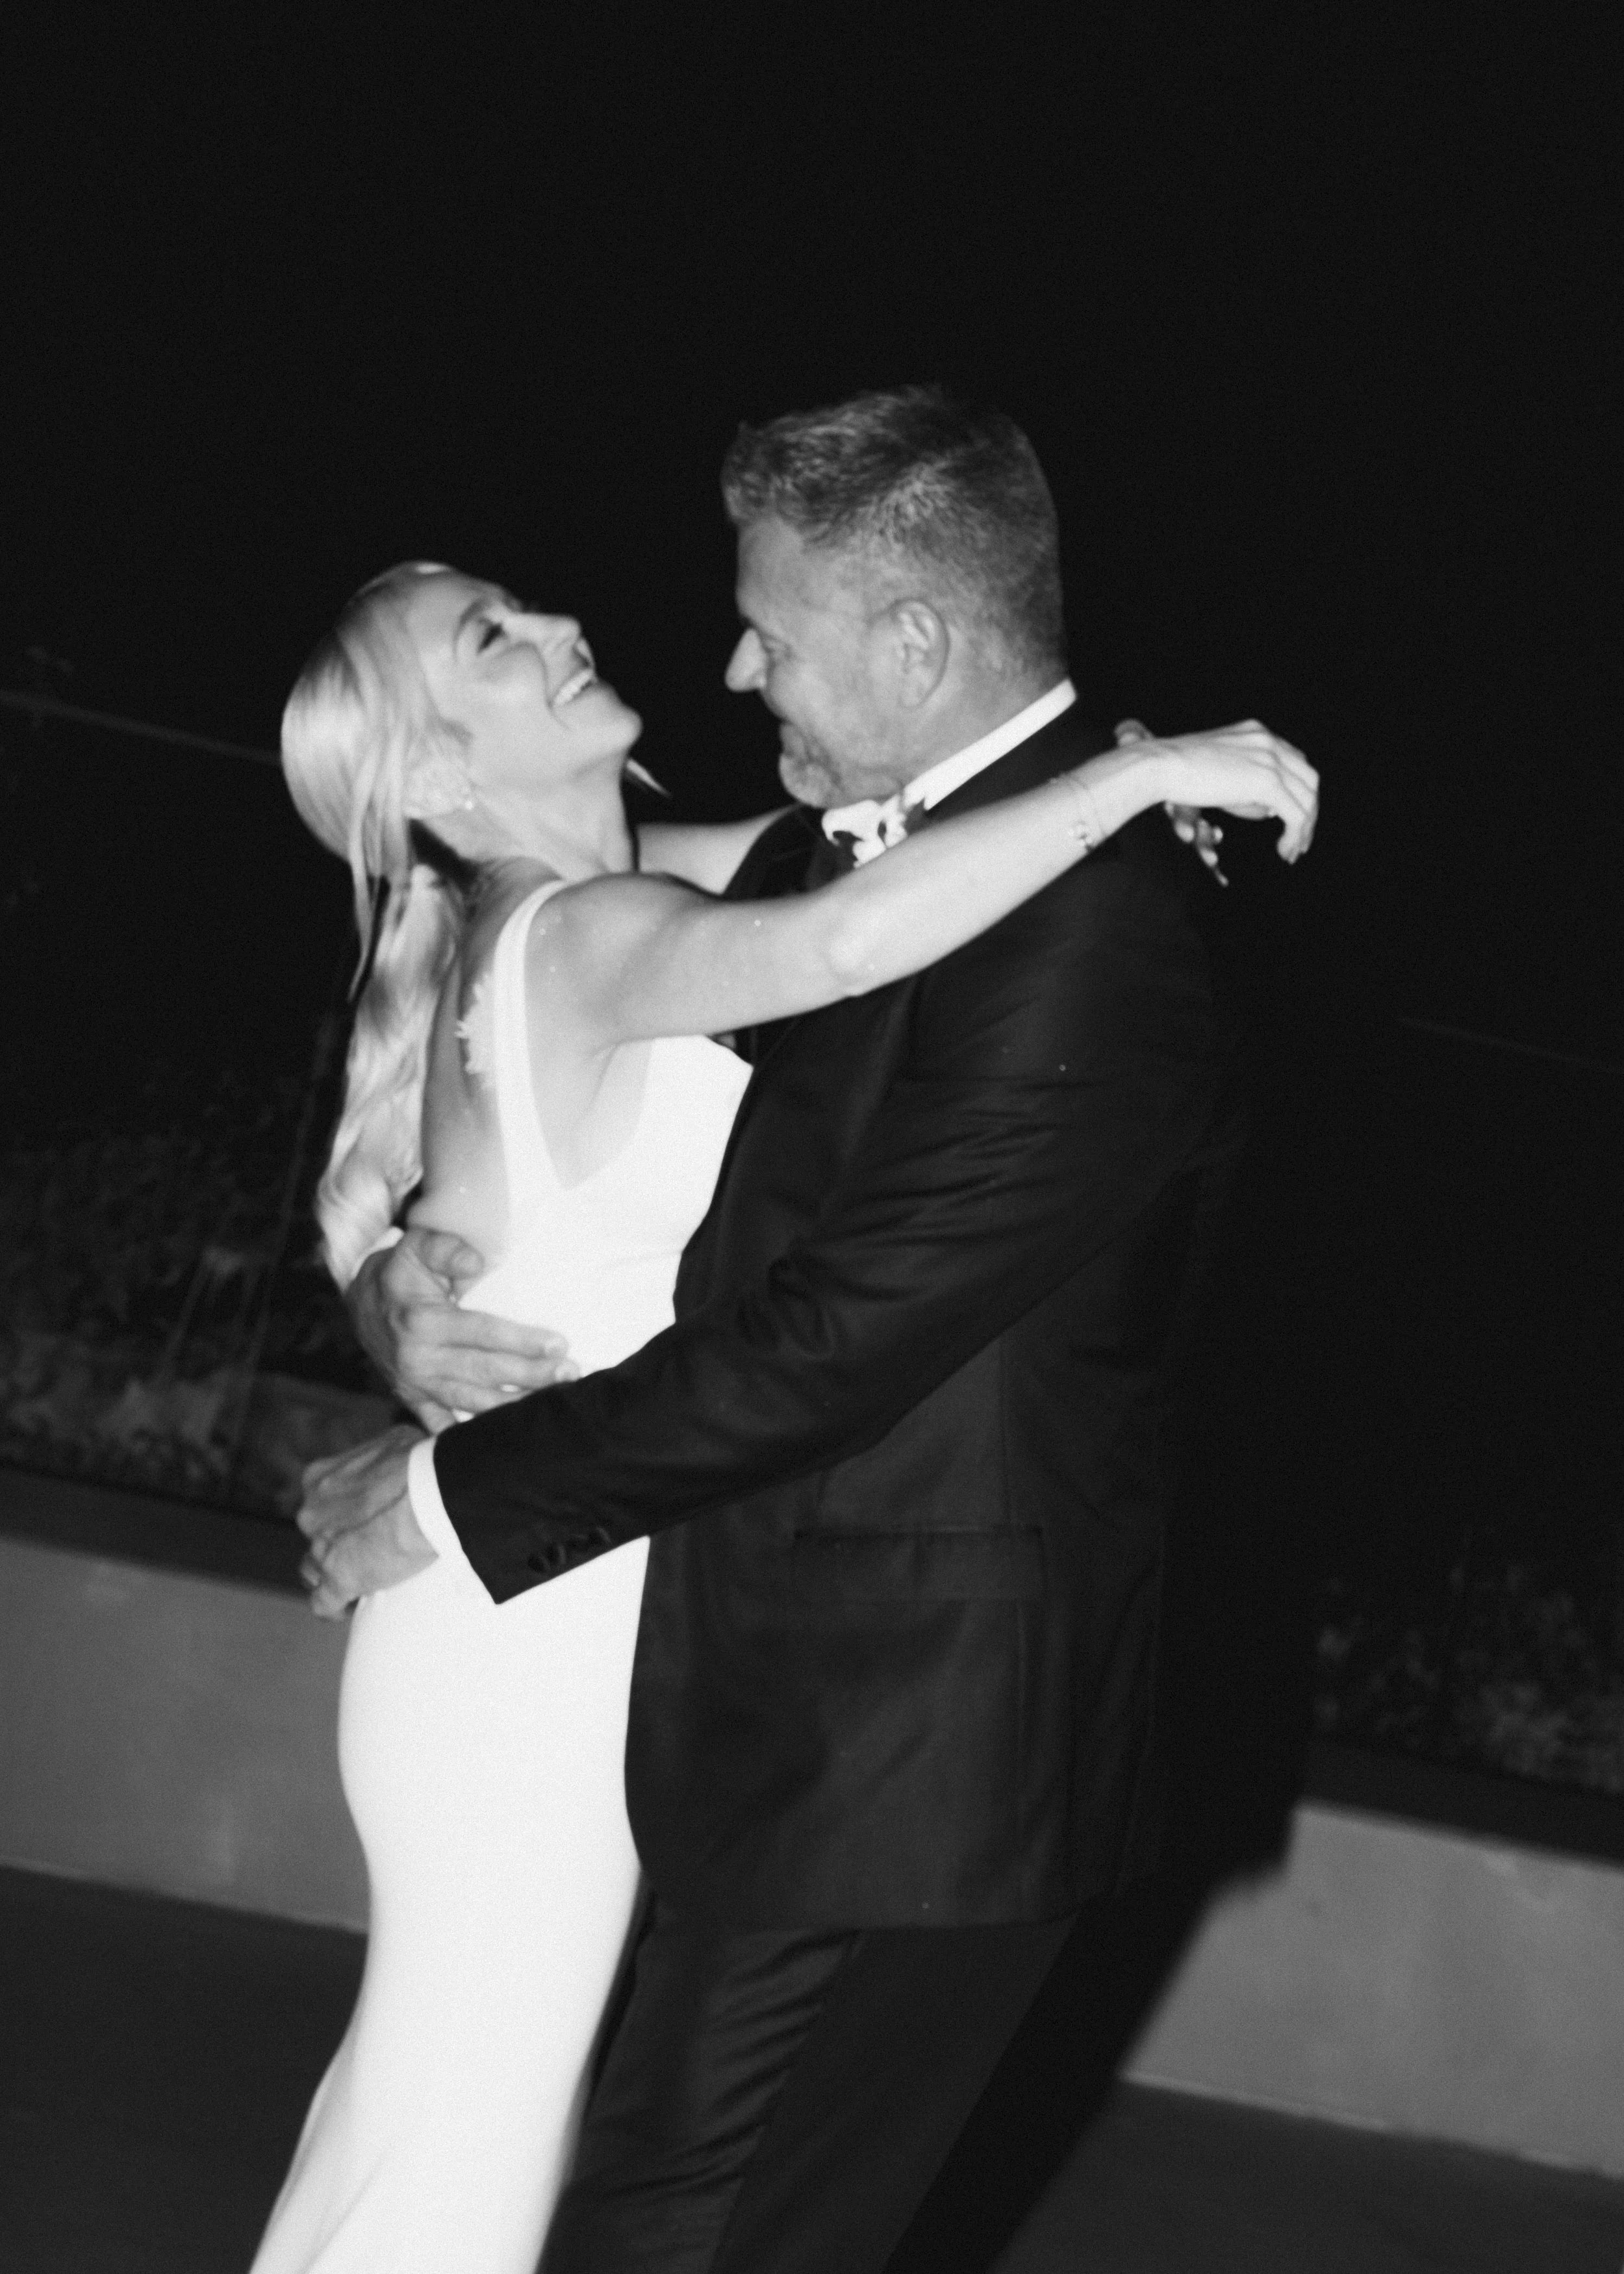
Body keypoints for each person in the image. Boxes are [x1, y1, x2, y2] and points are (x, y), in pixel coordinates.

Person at [296, 387, 1317, 2274]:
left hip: (879, 1736)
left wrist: (442, 1477)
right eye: (500, 641)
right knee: (508, 2162)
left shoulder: (1046, 914)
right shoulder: (766, 879)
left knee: (571, 2189)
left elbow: (836, 1322)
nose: (725, 652)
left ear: (915, 639)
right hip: (665, 1673)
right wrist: (380, 1271)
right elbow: (698, 953)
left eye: (772, 620)